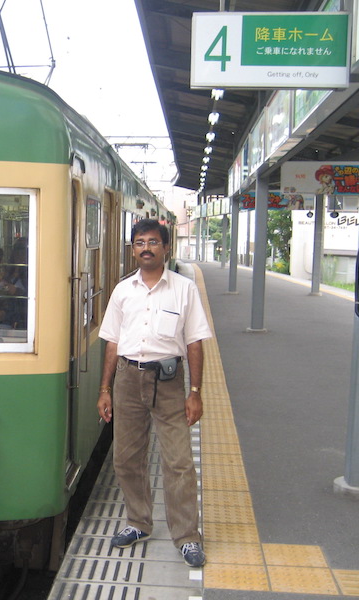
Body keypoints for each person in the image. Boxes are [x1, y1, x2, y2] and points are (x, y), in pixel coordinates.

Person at [97, 218, 212, 568]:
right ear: (133, 249)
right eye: (139, 242)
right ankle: (138, 522)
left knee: (178, 461)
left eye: (152, 241)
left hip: (169, 380)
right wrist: (105, 388)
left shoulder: (183, 289)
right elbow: (113, 343)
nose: (145, 247)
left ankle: (187, 535)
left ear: (165, 247)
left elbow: (194, 342)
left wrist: (195, 391)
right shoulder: (122, 290)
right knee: (126, 458)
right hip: (128, 379)